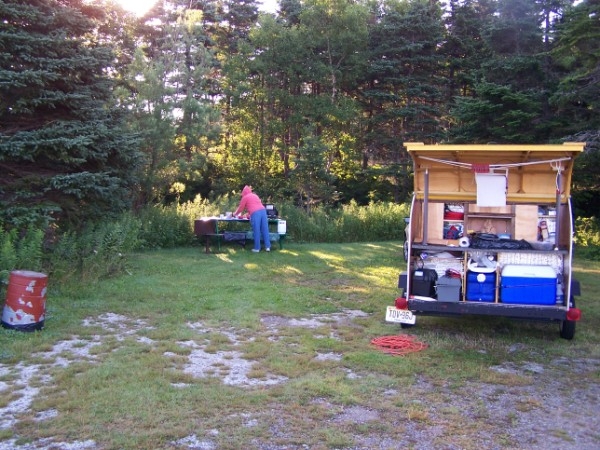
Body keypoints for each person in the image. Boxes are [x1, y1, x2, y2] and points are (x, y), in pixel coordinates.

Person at [234, 185, 271, 252]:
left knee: (256, 230)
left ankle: (257, 248)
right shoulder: (255, 195)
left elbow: (241, 208)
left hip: (256, 213)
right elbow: (256, 206)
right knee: (265, 229)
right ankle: (267, 247)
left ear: (243, 192)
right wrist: (248, 214)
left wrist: (234, 214)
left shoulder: (245, 197)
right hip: (263, 211)